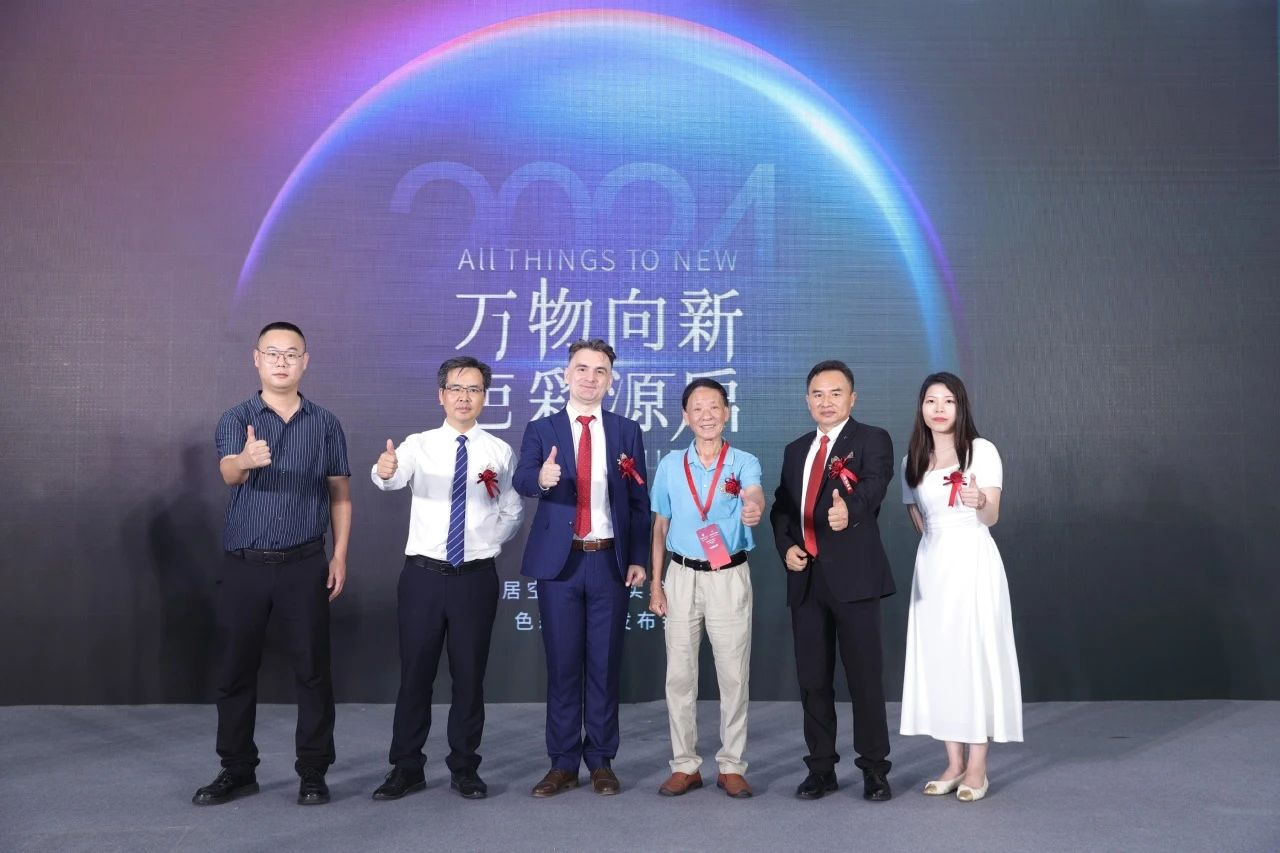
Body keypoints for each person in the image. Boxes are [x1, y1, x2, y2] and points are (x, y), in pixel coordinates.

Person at [194, 321, 351, 807]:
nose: (282, 361)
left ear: (305, 361)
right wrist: (244, 460)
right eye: (273, 353)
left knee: (313, 672)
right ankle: (237, 769)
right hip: (245, 565)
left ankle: (313, 771)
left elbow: (340, 494)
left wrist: (339, 554)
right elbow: (227, 472)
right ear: (256, 359)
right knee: (235, 671)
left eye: (292, 353)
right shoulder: (236, 418)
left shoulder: (326, 423)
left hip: (305, 563)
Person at [368, 356, 523, 802]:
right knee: (415, 675)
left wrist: (485, 542)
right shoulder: (418, 445)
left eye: (473, 389)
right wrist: (385, 470)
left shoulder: (498, 451)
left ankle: (465, 767)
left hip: (475, 578)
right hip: (423, 577)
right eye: (456, 388)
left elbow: (511, 509)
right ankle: (406, 767)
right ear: (441, 395)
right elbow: (391, 479)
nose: (464, 397)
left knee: (469, 677)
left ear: (484, 398)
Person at [513, 339, 649, 797]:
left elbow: (638, 501)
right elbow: (521, 478)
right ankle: (563, 762)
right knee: (563, 665)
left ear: (610, 381)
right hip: (561, 565)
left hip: (610, 561)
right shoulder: (542, 428)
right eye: (582, 369)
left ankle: (602, 760)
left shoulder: (626, 431)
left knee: (605, 666)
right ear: (566, 375)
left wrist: (637, 557)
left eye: (600, 371)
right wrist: (541, 478)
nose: (590, 378)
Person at [769, 359, 895, 802]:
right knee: (813, 680)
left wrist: (851, 511)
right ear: (807, 401)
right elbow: (782, 509)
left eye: (835, 393)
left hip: (855, 578)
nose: (826, 402)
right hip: (806, 579)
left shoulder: (871, 439)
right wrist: (786, 546)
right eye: (818, 394)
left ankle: (875, 769)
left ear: (852, 398)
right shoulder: (795, 450)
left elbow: (875, 485)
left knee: (864, 679)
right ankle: (821, 768)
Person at [898, 372, 1022, 802]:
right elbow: (918, 518)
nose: (938, 409)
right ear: (921, 408)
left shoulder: (981, 450)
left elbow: (992, 516)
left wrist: (980, 502)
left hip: (973, 561)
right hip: (932, 567)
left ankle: (977, 767)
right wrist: (937, 543)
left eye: (947, 401)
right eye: (931, 400)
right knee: (941, 659)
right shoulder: (912, 459)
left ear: (960, 406)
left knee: (974, 657)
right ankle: (953, 762)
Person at [648, 378, 765, 799]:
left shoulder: (743, 461)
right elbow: (660, 526)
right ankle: (685, 765)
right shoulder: (669, 465)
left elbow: (754, 493)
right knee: (679, 676)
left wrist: (753, 507)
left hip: (727, 576)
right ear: (685, 416)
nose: (706, 415)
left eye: (714, 407)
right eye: (697, 408)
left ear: (726, 412)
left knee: (733, 675)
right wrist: (657, 585)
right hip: (680, 576)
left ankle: (731, 766)